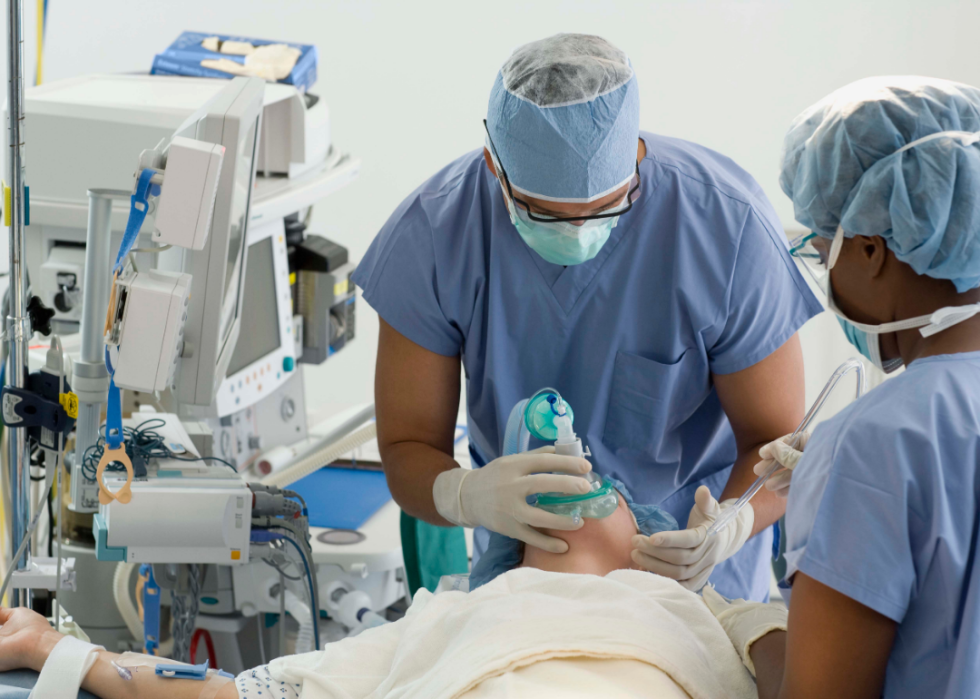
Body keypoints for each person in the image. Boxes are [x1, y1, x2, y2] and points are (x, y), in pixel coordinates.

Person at [354, 32, 822, 601]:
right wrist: (466, 495)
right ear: (494, 168)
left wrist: (730, 524)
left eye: (605, 208)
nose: (577, 231)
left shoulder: (723, 227)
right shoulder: (434, 235)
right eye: (543, 213)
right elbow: (407, 448)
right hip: (517, 598)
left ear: (636, 159)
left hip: (696, 578)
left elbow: (779, 447)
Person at [702, 76, 980, 699]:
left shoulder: (871, 442)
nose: (826, 280)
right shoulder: (882, 448)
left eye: (822, 251)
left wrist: (752, 630)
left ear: (872, 250)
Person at [0, 492, 757, 699]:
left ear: (649, 541)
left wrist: (733, 603)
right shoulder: (449, 616)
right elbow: (239, 695)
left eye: (609, 486)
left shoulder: (689, 608)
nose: (576, 466)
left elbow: (808, 677)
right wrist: (59, 648)